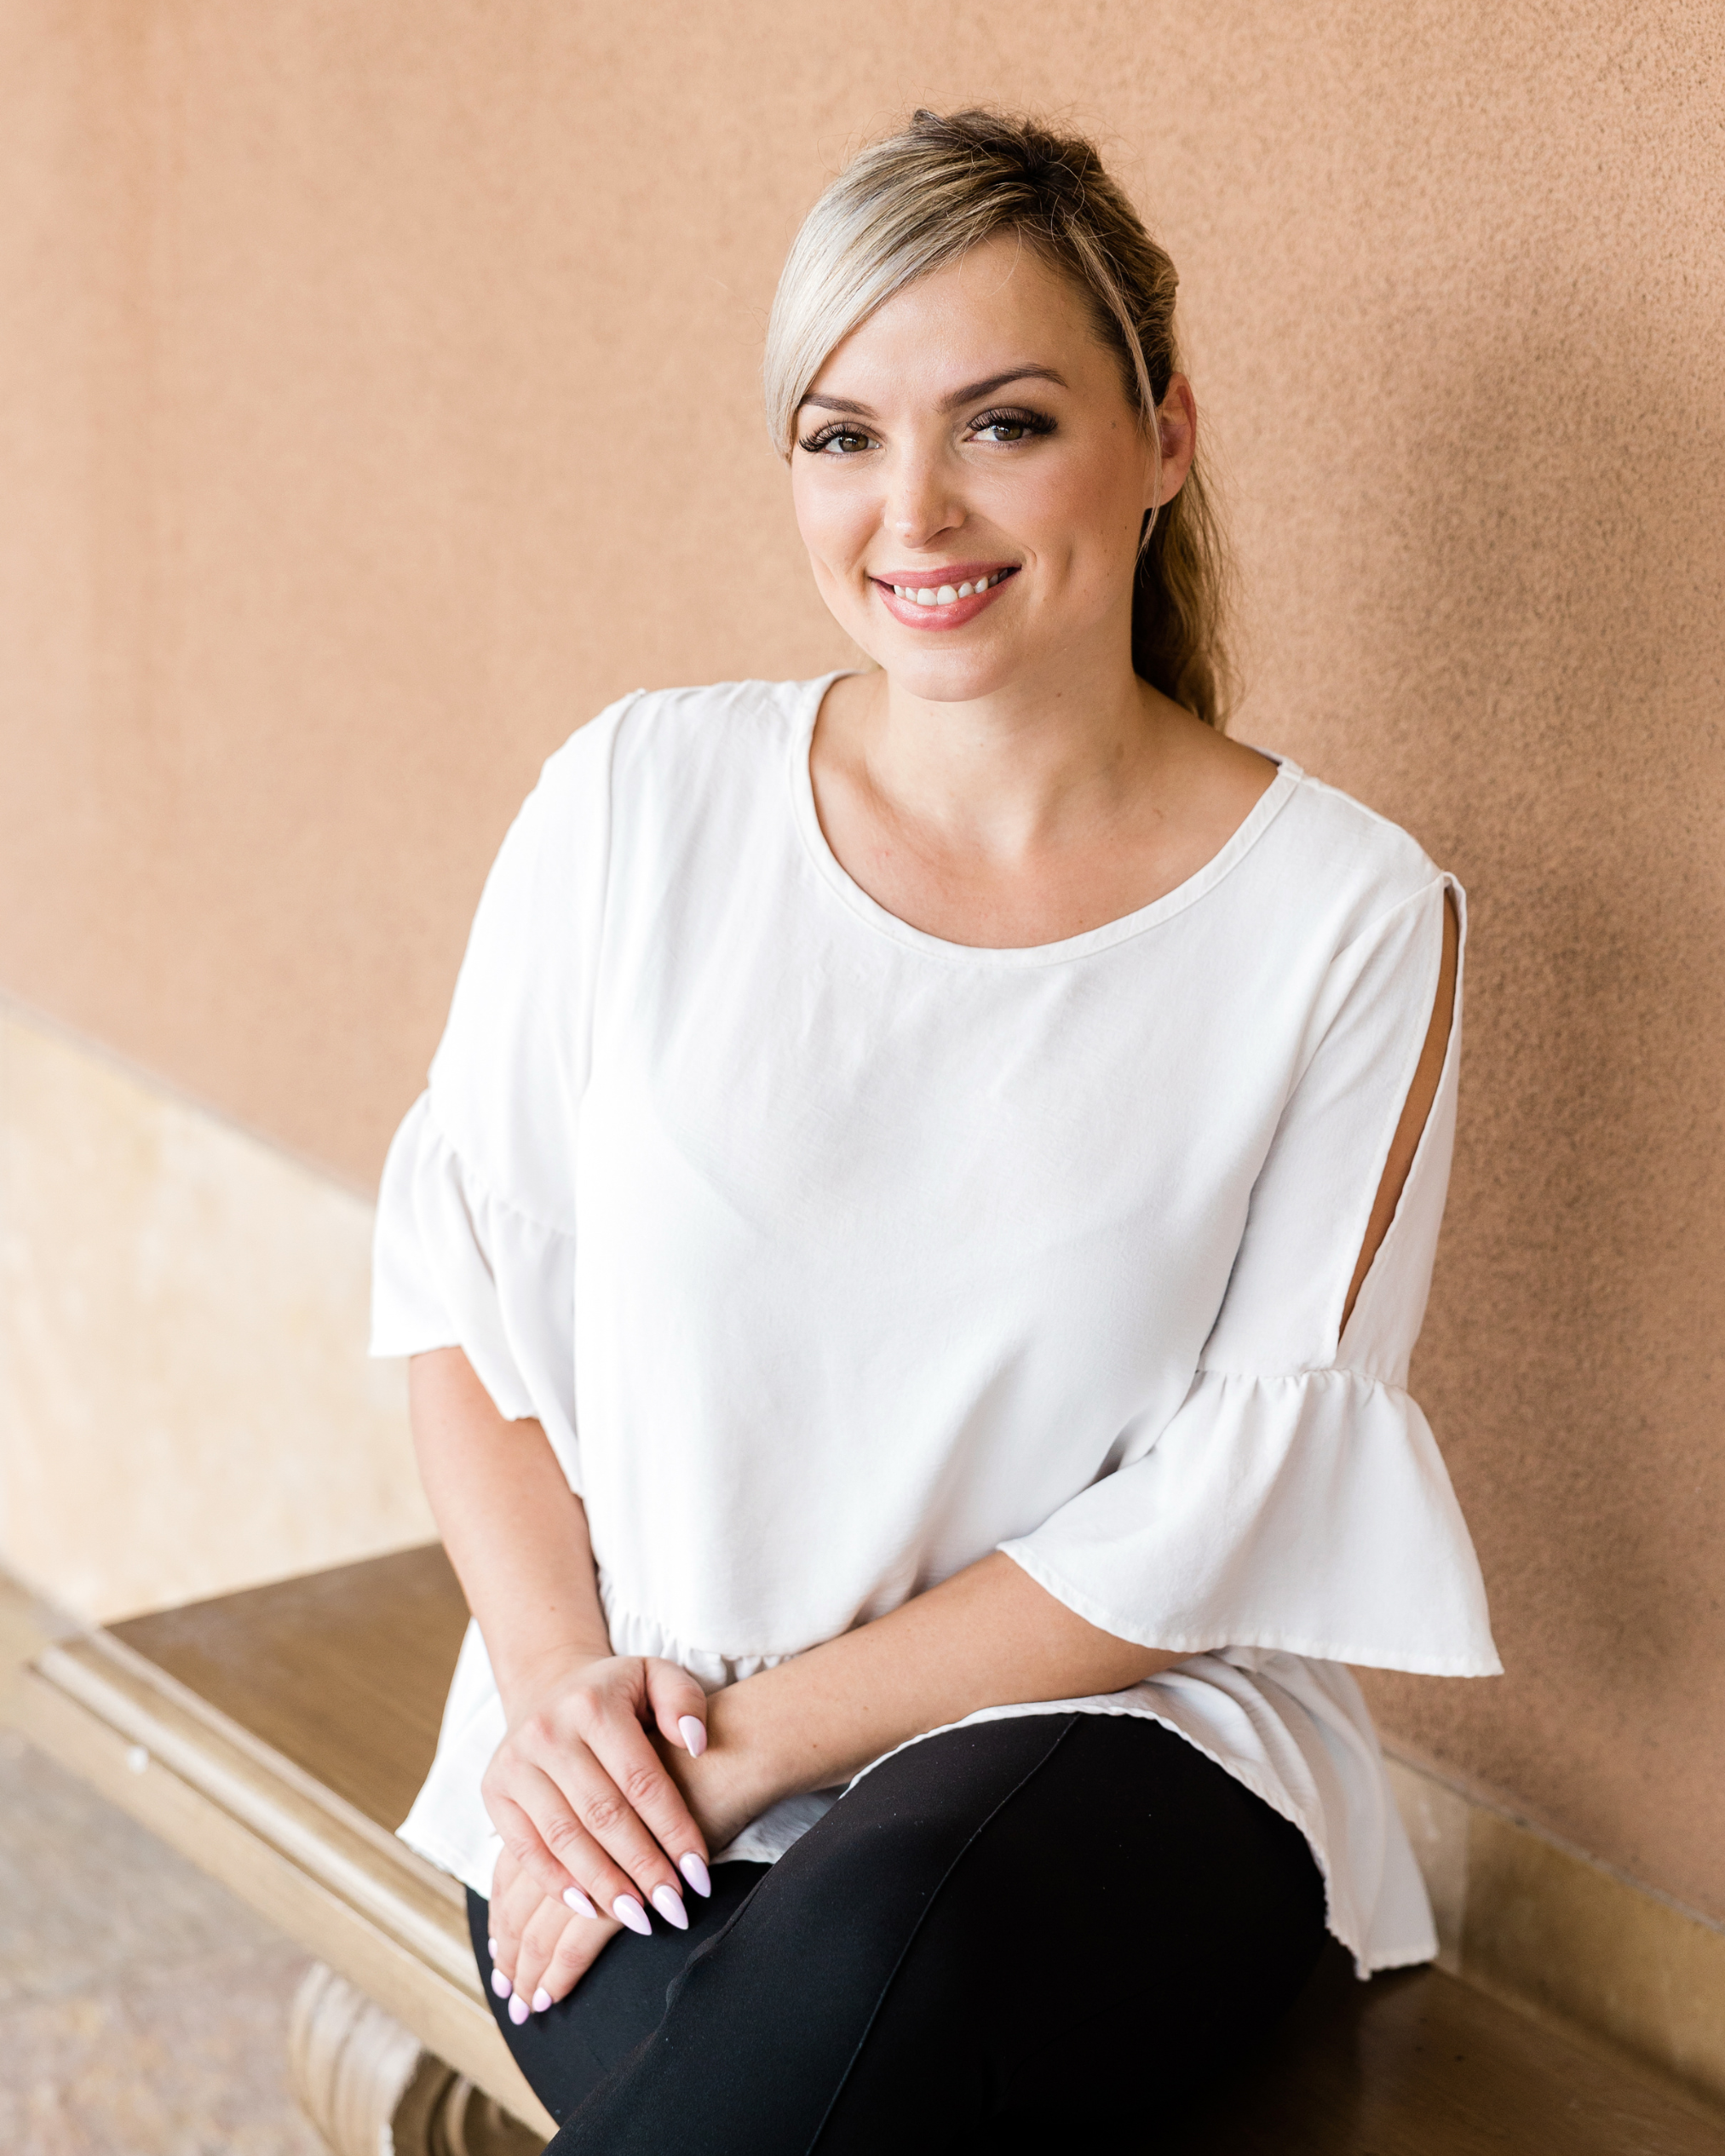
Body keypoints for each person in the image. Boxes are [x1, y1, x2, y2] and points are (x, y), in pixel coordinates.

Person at [371, 107, 1498, 2153]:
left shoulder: (1341, 919)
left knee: (885, 1946)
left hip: (1103, 1765)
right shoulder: (638, 804)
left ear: (1163, 433)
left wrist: (746, 1752)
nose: (914, 511)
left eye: (1002, 422)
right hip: (619, 1748)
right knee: (794, 2068)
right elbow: (462, 1283)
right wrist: (561, 1693)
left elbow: (1218, 1505)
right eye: (840, 434)